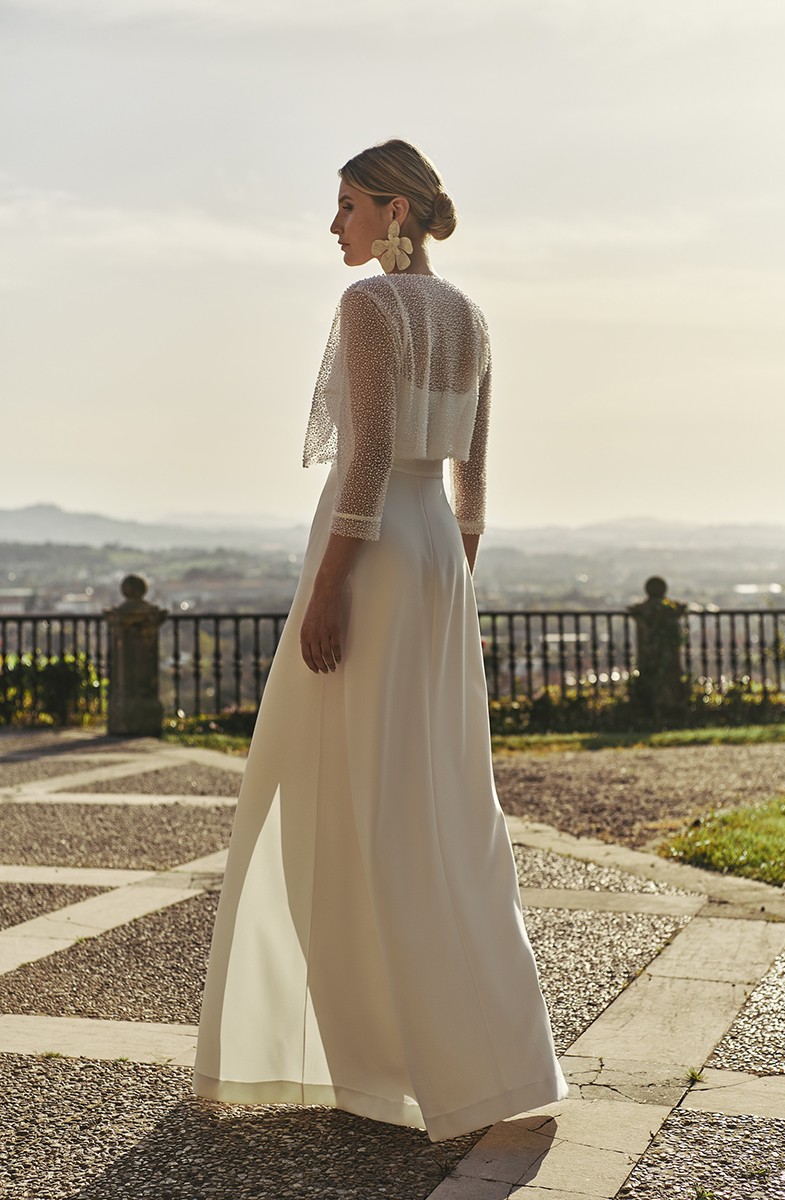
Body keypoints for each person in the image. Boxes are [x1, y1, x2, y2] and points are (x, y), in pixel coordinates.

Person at [193, 139, 568, 1142]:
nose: (335, 225)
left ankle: (363, 1060)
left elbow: (362, 462)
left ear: (394, 209)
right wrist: (450, 571)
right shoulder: (471, 316)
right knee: (437, 798)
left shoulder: (374, 308)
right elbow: (472, 482)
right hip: (435, 555)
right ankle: (474, 1059)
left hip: (367, 554)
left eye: (348, 204)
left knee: (333, 792)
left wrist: (329, 590)